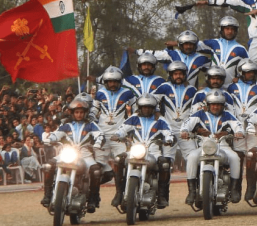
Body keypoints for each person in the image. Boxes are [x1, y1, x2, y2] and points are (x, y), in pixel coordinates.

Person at [180, 90, 245, 205]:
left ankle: (234, 189)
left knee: (235, 158)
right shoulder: (199, 114)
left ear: (223, 106)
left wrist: (239, 132)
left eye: (218, 104)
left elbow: (238, 125)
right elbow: (186, 124)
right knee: (191, 157)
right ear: (208, 105)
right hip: (204, 146)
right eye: (213, 104)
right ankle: (192, 192)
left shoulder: (228, 115)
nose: (216, 107)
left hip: (223, 146)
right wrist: (185, 131)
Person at [111, 94, 175, 209]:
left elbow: (168, 132)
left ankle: (161, 195)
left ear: (153, 108)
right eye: (144, 107)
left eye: (149, 107)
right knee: (118, 159)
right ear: (139, 107)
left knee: (165, 164)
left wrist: (169, 139)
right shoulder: (134, 118)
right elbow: (122, 129)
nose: (146, 109)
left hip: (153, 153)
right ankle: (119, 192)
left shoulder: (160, 120)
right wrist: (117, 135)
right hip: (135, 151)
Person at [40, 99, 104, 212]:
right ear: (72, 113)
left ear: (85, 113)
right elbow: (56, 134)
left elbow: (100, 135)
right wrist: (50, 139)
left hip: (85, 155)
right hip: (67, 153)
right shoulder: (66, 125)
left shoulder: (91, 125)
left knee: (96, 171)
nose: (79, 114)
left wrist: (98, 143)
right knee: (49, 166)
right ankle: (48, 195)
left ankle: (94, 199)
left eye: (81, 112)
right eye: (76, 112)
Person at [90, 66, 137, 205]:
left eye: (115, 81)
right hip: (102, 135)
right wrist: (90, 121)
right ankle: (94, 196)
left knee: (121, 163)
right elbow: (94, 110)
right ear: (105, 81)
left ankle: (120, 194)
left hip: (119, 135)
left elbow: (136, 112)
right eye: (109, 81)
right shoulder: (99, 93)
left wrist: (130, 128)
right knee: (97, 167)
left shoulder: (128, 93)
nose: (112, 84)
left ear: (120, 81)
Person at [153, 61, 198, 171]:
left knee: (193, 158)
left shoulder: (192, 90)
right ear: (171, 75)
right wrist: (158, 113)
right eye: (175, 74)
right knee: (166, 162)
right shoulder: (164, 87)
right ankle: (164, 188)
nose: (178, 76)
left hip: (185, 131)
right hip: (169, 131)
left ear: (184, 75)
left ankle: (194, 187)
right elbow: (152, 100)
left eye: (180, 74)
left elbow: (197, 108)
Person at [227, 60, 257, 153]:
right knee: (239, 151)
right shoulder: (232, 87)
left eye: (253, 72)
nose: (251, 74)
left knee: (253, 151)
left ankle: (252, 167)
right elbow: (228, 106)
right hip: (238, 125)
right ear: (242, 73)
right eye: (248, 72)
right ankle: (240, 168)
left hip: (254, 124)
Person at [197, 16, 249, 89]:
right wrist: (177, 43)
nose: (230, 31)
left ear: (236, 31)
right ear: (221, 30)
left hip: (230, 87)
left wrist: (239, 79)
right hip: (212, 86)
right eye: (227, 29)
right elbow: (192, 44)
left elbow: (248, 68)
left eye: (232, 29)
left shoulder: (241, 49)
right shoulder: (214, 43)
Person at [144, 31, 210, 88]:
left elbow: (215, 71)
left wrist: (204, 86)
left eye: (190, 44)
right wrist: (136, 51)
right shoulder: (172, 54)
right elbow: (153, 54)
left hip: (191, 93)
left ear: (195, 45)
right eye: (186, 44)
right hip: (171, 91)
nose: (188, 46)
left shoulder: (201, 58)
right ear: (181, 45)